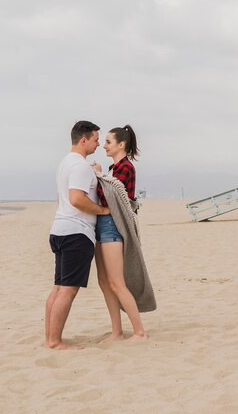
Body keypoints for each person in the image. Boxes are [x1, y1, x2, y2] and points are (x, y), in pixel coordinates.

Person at [45, 121, 110, 350]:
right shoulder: (80, 166)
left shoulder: (66, 163)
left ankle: (50, 339)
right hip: (76, 232)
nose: (98, 144)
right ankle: (55, 341)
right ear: (83, 139)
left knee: (58, 287)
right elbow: (77, 198)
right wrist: (103, 210)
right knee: (68, 289)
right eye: (95, 139)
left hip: (59, 229)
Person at [92, 125, 148, 342]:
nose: (104, 146)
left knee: (116, 282)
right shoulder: (114, 170)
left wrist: (98, 176)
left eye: (108, 142)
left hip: (113, 226)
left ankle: (139, 332)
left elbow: (111, 199)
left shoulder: (125, 168)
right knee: (104, 282)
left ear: (121, 145)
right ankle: (116, 331)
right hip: (103, 224)